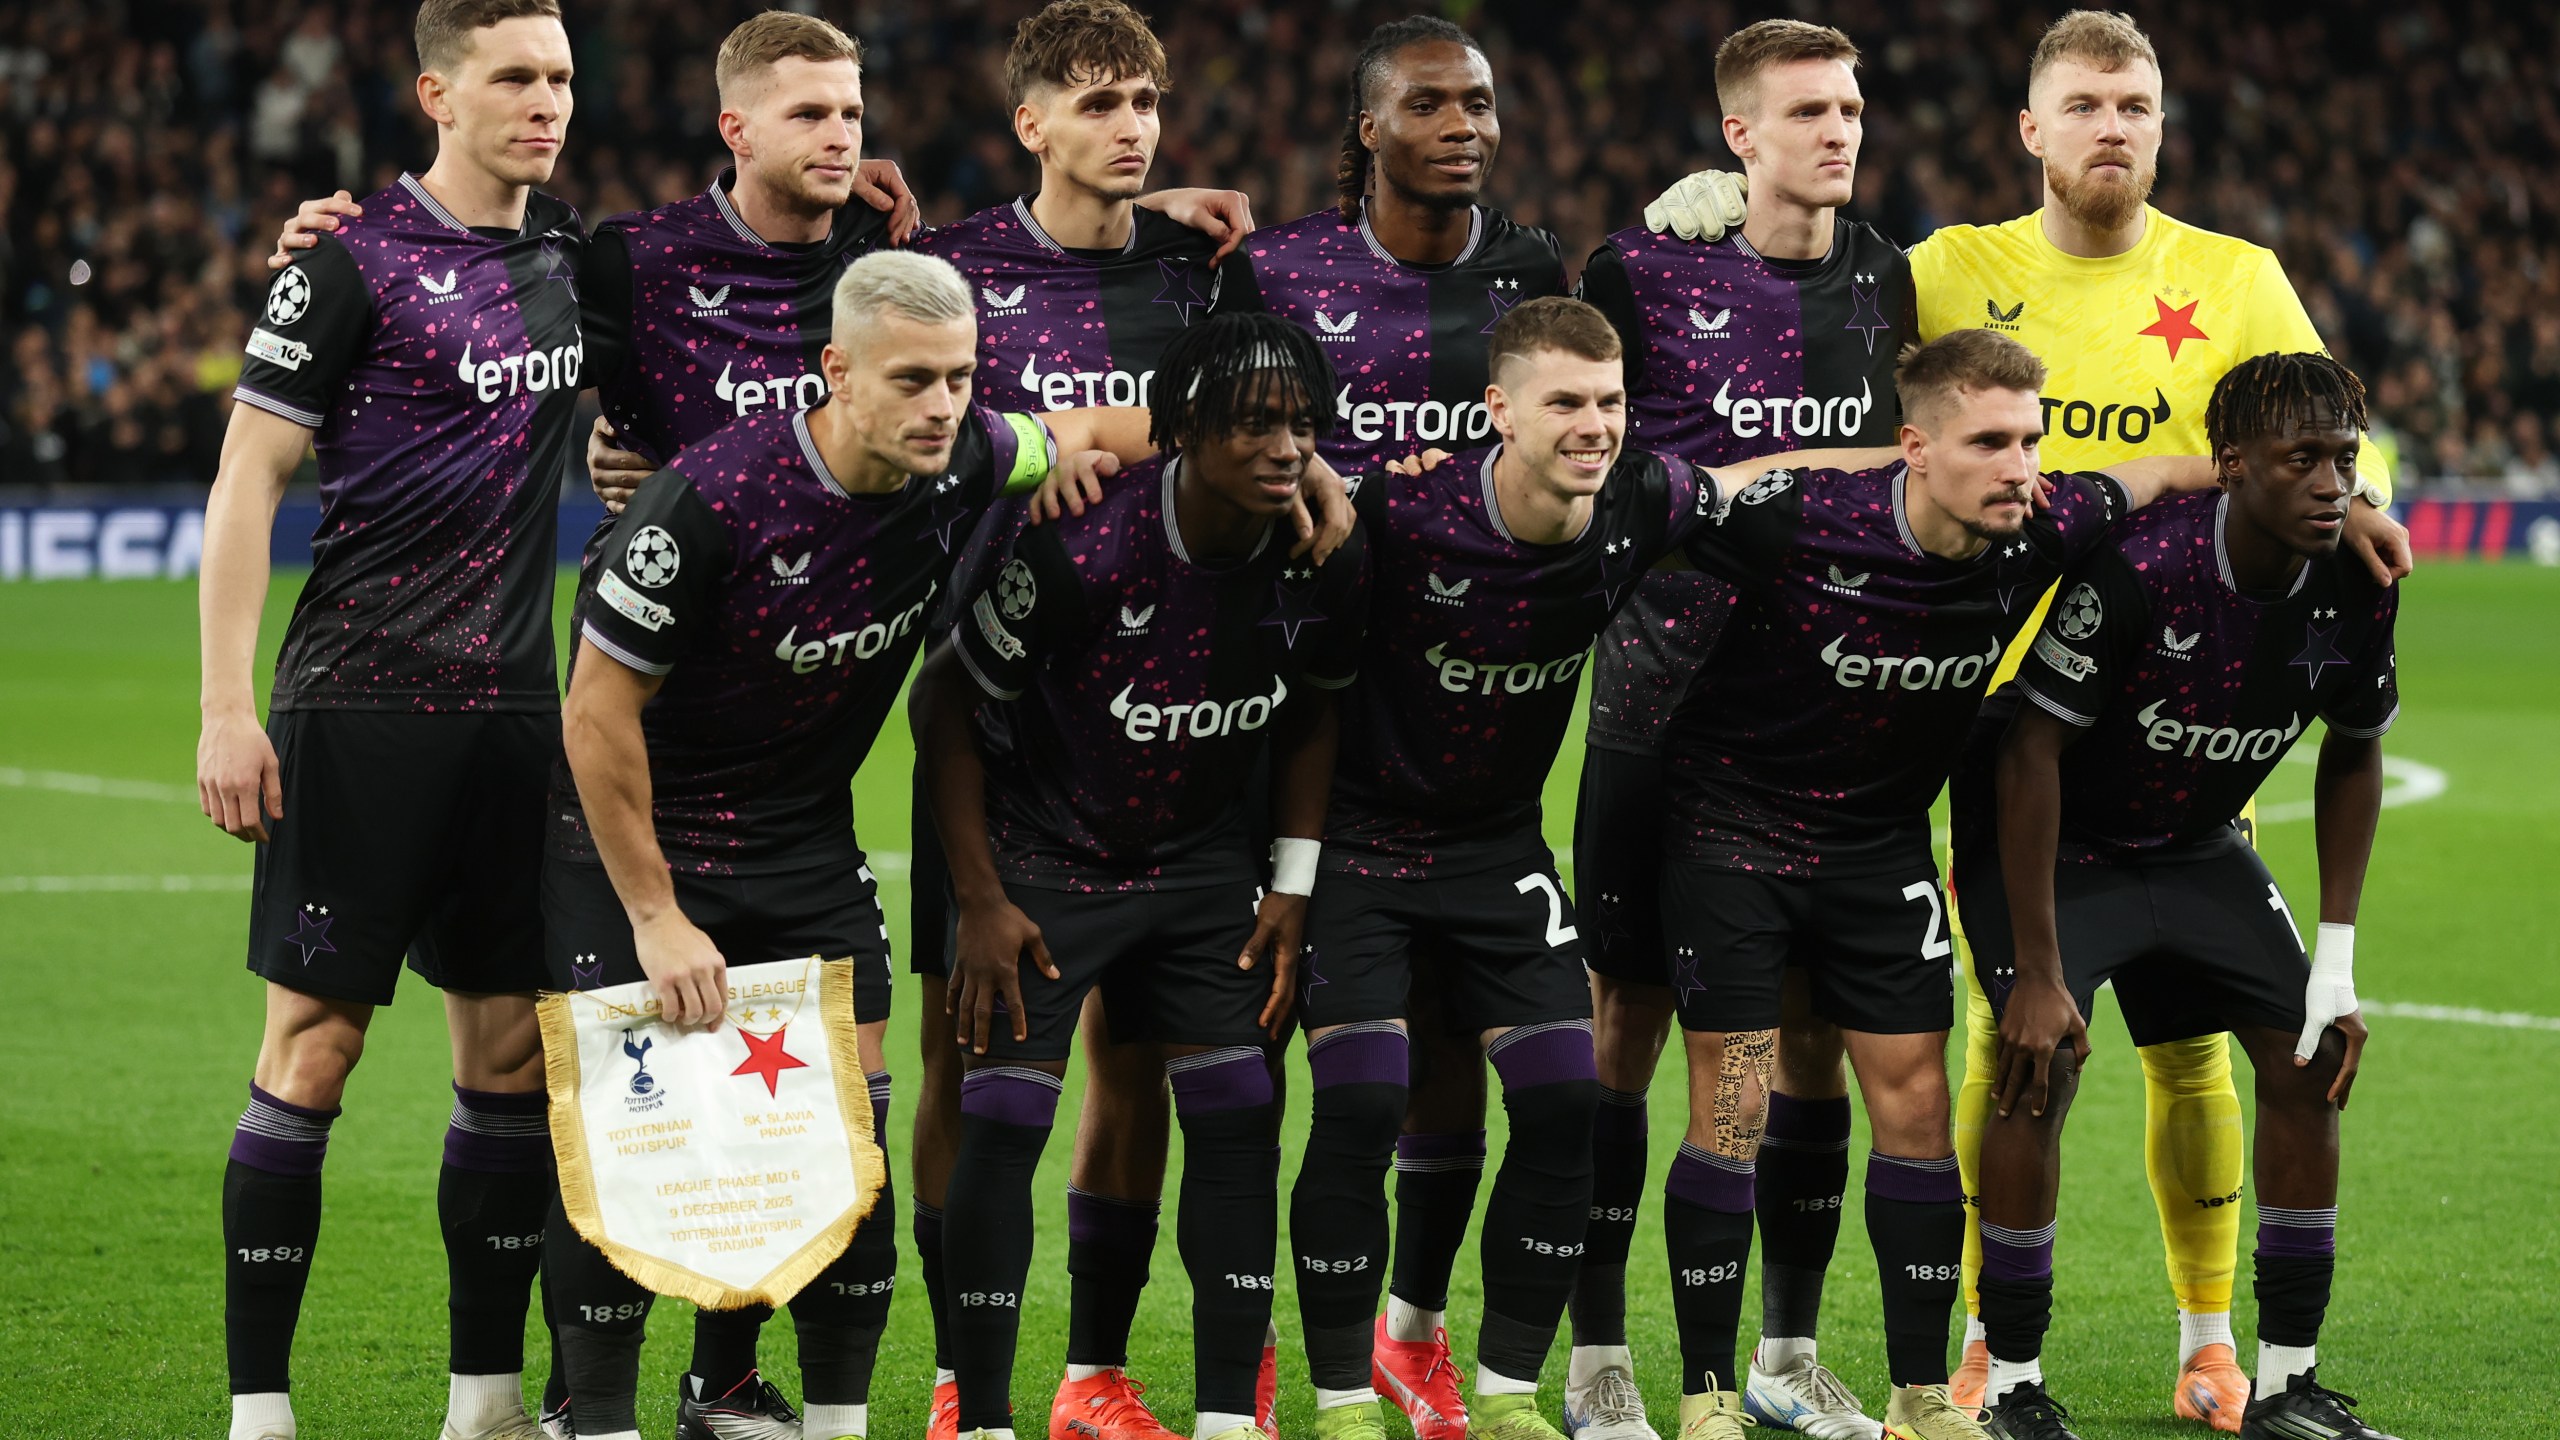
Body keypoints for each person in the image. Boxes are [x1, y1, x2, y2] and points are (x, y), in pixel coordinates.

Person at [1637, 12, 2412, 1425]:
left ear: (2162, 126)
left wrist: (2363, 508)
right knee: (2008, 1036)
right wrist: (1713, 215)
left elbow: (2327, 439)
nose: (2113, 125)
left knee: (2193, 1050)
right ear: (2031, 128)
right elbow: (1809, 320)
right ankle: (1993, 1346)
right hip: (1974, 721)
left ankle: (2210, 1342)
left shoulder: (2239, 280)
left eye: (2136, 102)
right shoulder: (1947, 269)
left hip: (2177, 722)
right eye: (2084, 102)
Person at [545, 249, 1146, 1440]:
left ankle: (758, 1404)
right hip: (645, 848)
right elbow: (593, 712)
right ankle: (594, 1419)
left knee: (834, 1142)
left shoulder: (970, 453)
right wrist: (659, 917)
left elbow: (1117, 424)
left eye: (963, 378)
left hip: (807, 849)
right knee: (640, 1143)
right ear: (835, 374)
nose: (943, 404)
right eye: (913, 379)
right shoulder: (709, 503)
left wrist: (1315, 482)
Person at [1290, 294, 1886, 1440]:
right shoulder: (1394, 509)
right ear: (1496, 413)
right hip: (1364, 846)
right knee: (1361, 1100)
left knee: (1565, 1096)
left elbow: (1780, 470)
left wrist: (1925, 461)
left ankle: (1511, 1386)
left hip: (1498, 850)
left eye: (1610, 402)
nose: (1593, 425)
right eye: (1564, 402)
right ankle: (1342, 1393)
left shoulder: (1641, 500)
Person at [1653, 329, 2216, 1440]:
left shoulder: (2041, 525)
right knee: (1734, 1109)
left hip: (1877, 851)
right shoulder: (1802, 522)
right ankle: (1710, 1392)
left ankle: (1917, 1393)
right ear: (1913, 448)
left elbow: (2149, 473)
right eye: (1989, 444)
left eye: (2030, 441)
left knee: (1914, 1114)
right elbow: (1655, 499)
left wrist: (2313, 492)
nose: (2021, 467)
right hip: (1735, 837)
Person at [195, 5, 584, 1439]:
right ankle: (261, 1410)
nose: (545, 103)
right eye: (514, 78)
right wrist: (227, 709)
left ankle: (480, 1405)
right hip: (357, 705)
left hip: (515, 719)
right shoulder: (348, 267)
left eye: (558, 77)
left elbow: (735, 286)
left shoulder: (569, 261)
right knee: (315, 1046)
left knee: (506, 1063)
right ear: (438, 92)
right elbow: (245, 485)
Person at [909, 312, 1370, 1440]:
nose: (1286, 450)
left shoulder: (1319, 550)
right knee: (1003, 1118)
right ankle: (978, 1419)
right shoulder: (1081, 543)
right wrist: (979, 899)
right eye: (1257, 425)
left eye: (1302, 426)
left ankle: (1222, 1417)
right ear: (1183, 433)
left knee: (1235, 1110)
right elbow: (945, 704)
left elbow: (1316, 708)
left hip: (1204, 864)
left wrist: (1292, 886)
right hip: (1047, 858)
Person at [908, 7, 1268, 1433]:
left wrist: (1094, 440)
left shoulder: (1202, 270)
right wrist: (1042, 464)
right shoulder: (957, 276)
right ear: (1031, 126)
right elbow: (901, 425)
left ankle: (1093, 1380)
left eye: (1149, 100)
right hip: (1001, 722)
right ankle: (958, 1377)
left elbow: (1250, 425)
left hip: (1178, 722)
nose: (1134, 125)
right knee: (966, 1052)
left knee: (1138, 1063)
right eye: (1102, 102)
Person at [1570, 21, 1911, 1440]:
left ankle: (1783, 1354)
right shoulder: (1640, 273)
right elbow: (1589, 447)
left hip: (1826, 731)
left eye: (1850, 107)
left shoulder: (1892, 275)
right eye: (1807, 112)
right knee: (1625, 1035)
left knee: (1813, 1043)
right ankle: (1597, 1357)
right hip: (1659, 714)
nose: (1839, 131)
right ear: (1737, 136)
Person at [1956, 353, 2401, 1440]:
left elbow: (2354, 752)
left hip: (2197, 844)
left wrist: (2332, 965)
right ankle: (2009, 1386)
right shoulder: (2142, 568)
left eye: (2343, 461)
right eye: (2301, 461)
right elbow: (2029, 754)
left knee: (2309, 1057)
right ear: (2232, 464)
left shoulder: (2356, 580)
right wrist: (2038, 974)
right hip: (2063, 842)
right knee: (2035, 1063)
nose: (2330, 486)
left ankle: (2287, 1387)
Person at [1227, 20, 1566, 1435]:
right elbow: (1223, 434)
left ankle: (1416, 1342)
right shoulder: (1279, 273)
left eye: (1479, 102)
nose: (1462, 123)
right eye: (1428, 103)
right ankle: (1259, 1336)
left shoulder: (1531, 274)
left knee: (1450, 1068)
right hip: (1306, 725)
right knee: (1256, 1062)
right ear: (1366, 128)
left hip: (1479, 740)